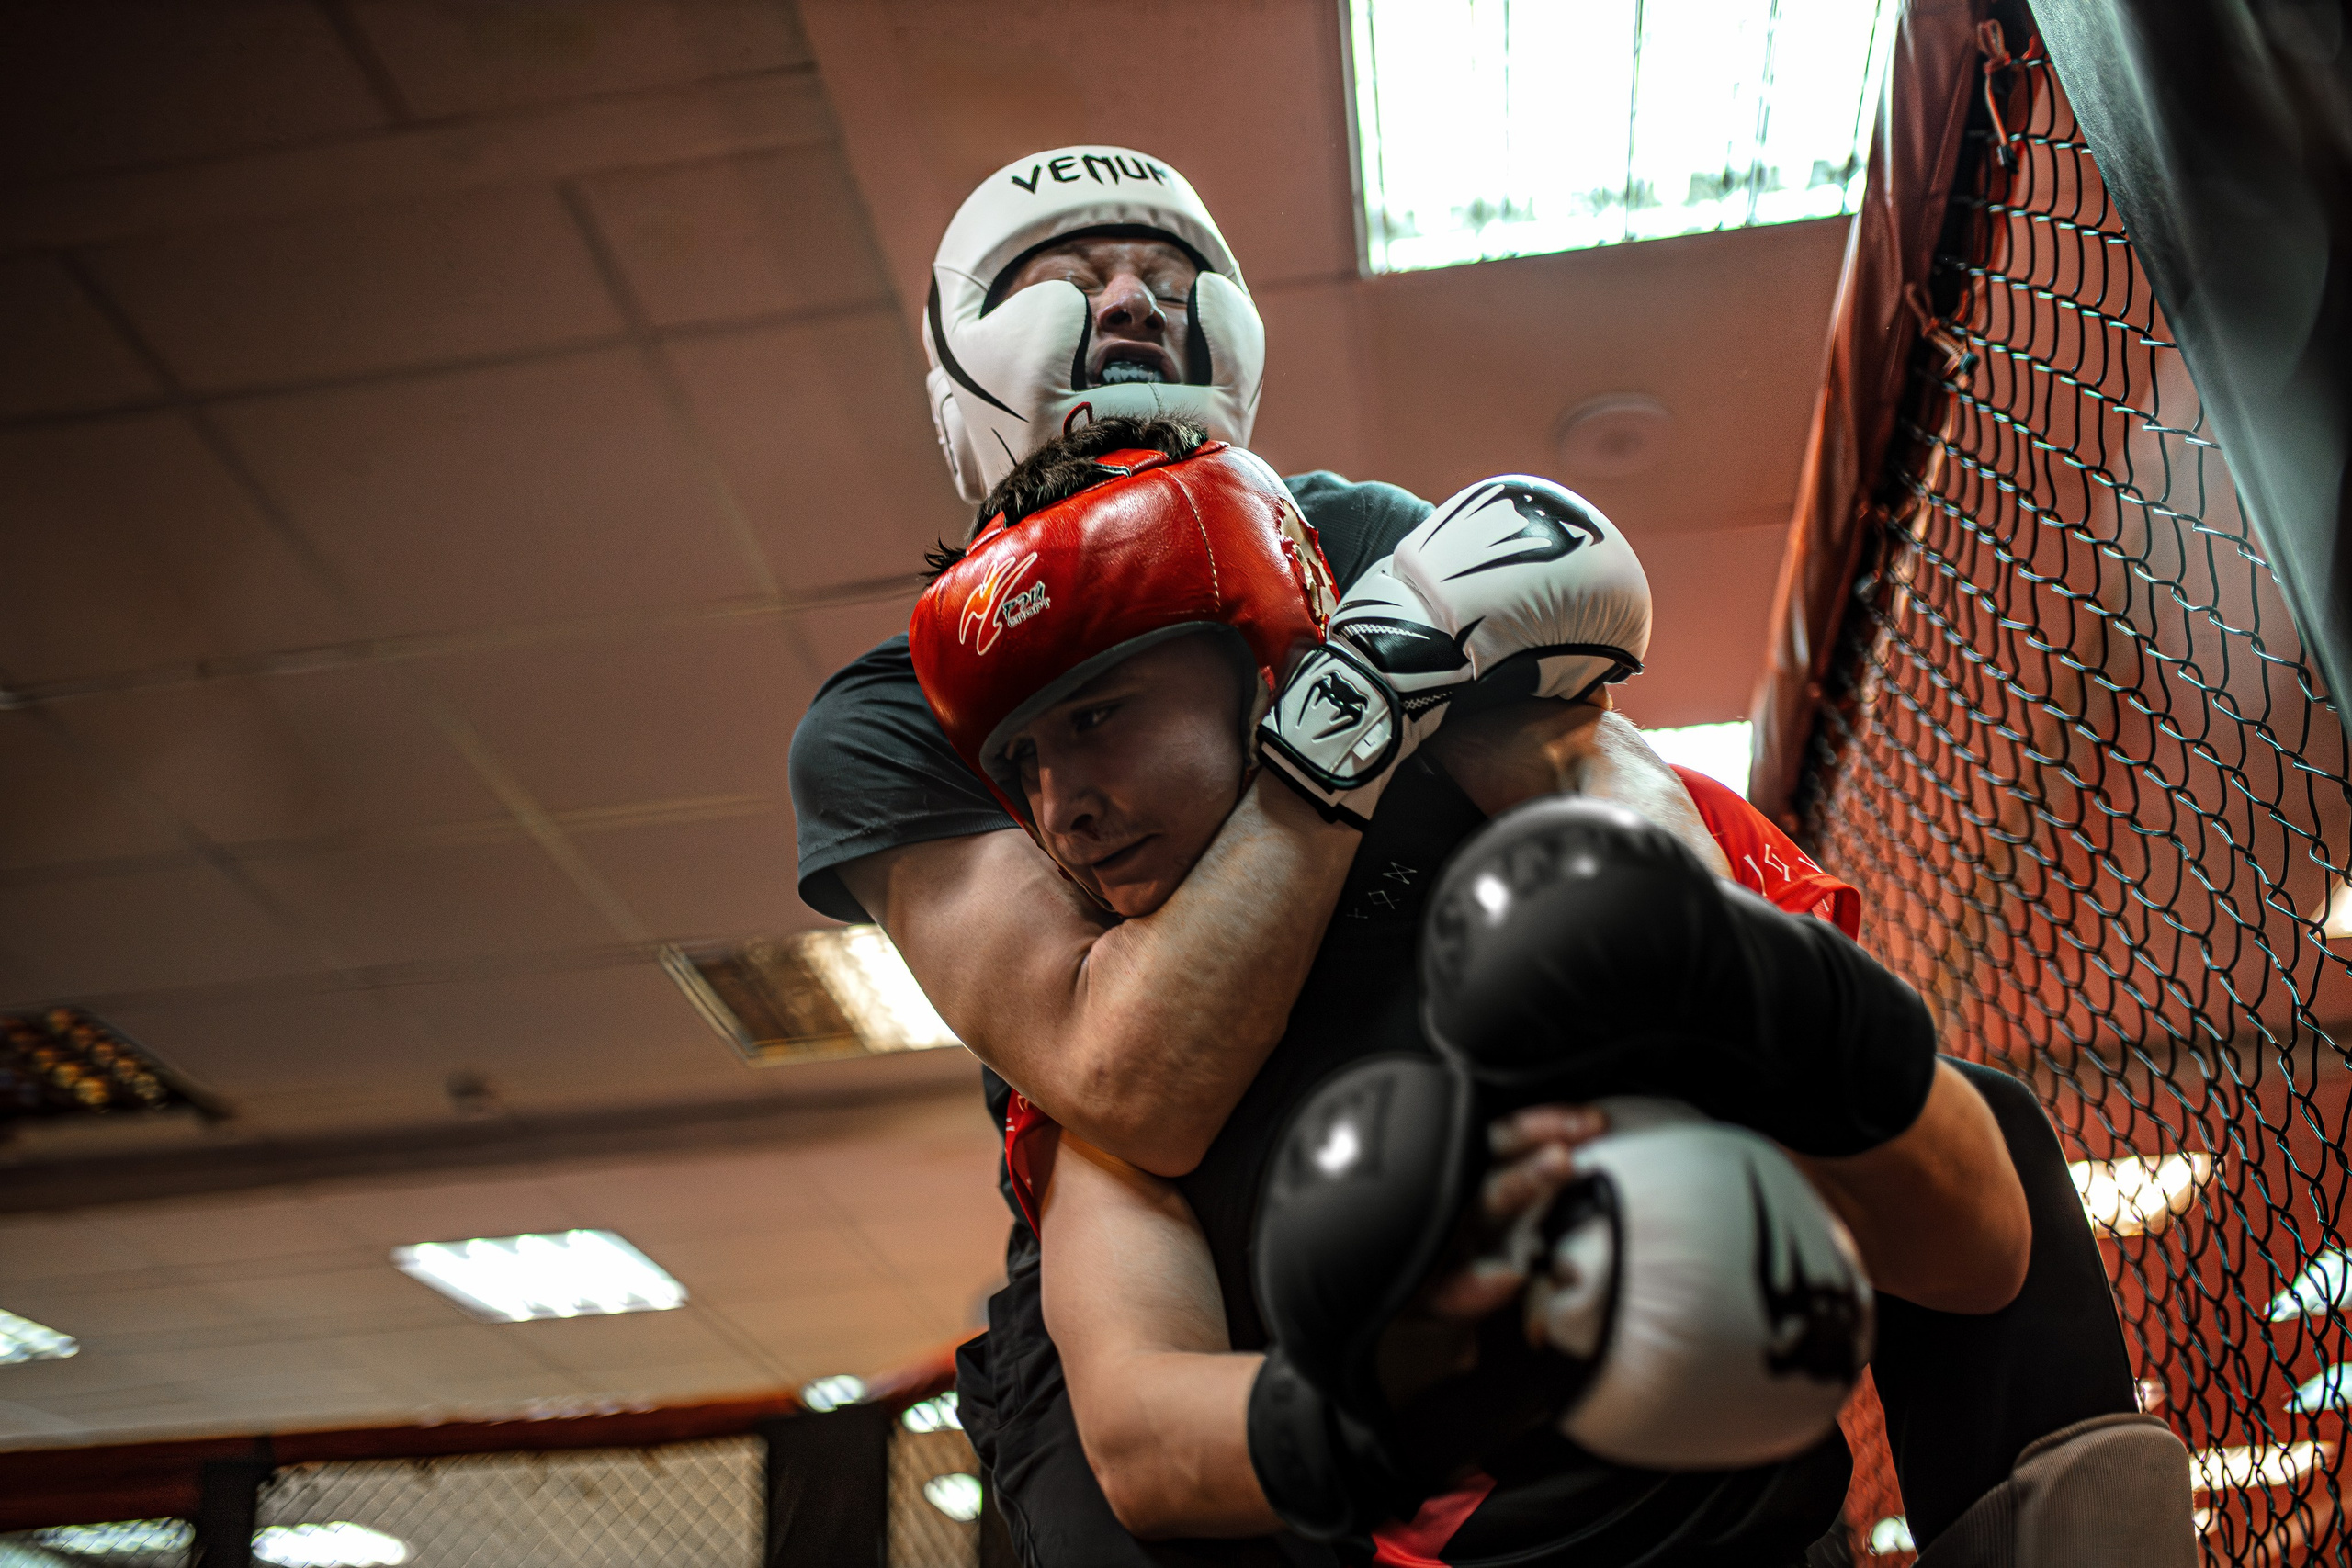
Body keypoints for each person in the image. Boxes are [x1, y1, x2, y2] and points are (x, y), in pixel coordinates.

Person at [909, 421, 2074, 1565]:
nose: (1060, 807)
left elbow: (1975, 1248)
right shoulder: (1116, 1058)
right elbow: (1140, 1442)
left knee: (1985, 1110)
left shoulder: (1564, 806)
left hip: (1757, 1536)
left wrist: (1748, 983)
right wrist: (1418, 1392)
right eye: (1020, 764)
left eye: (1097, 717)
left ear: (1261, 658)